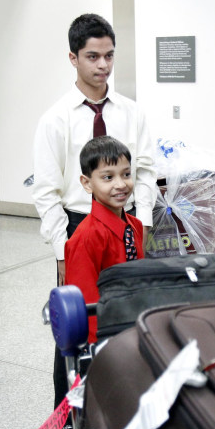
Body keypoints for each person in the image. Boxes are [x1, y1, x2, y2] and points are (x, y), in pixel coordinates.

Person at [31, 13, 156, 429]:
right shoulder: (55, 120)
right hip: (78, 227)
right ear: (73, 58)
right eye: (92, 57)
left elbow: (144, 171)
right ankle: (67, 418)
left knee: (123, 320)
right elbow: (45, 192)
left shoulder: (131, 112)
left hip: (124, 226)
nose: (103, 66)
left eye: (108, 56)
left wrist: (138, 223)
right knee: (75, 329)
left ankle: (118, 409)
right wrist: (61, 249)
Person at [65, 136, 143, 342]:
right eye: (108, 177)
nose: (121, 184)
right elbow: (85, 305)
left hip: (135, 326)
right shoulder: (86, 237)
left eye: (126, 174)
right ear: (87, 183)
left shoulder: (135, 226)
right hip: (107, 337)